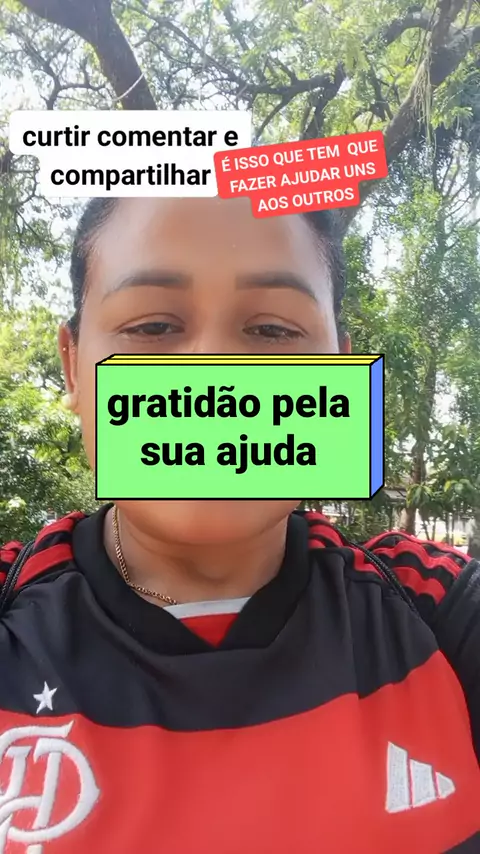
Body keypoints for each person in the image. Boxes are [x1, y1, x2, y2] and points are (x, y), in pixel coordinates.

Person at [0, 195, 479, 854]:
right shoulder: (14, 613)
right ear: (72, 366)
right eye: (152, 325)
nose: (214, 376)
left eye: (274, 331)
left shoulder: (436, 609)